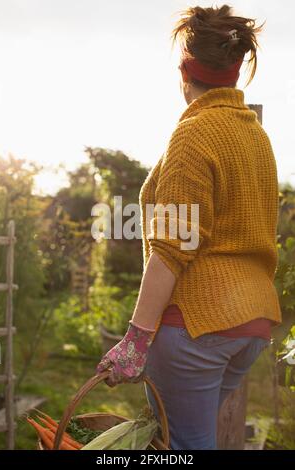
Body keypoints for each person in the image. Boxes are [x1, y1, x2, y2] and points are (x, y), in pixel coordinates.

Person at [95, 4, 282, 450]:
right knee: (190, 440)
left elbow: (173, 247)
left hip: (196, 325)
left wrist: (136, 339)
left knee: (185, 445)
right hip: (251, 323)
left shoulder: (195, 132)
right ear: (236, 70)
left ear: (185, 72)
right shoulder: (255, 134)